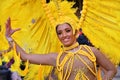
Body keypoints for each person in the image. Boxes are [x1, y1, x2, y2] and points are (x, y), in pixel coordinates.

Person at [4, 17, 117, 80]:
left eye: (67, 30)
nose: (64, 35)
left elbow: (111, 70)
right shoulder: (57, 58)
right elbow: (25, 56)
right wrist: (9, 38)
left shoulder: (91, 51)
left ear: (75, 32)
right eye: (60, 33)